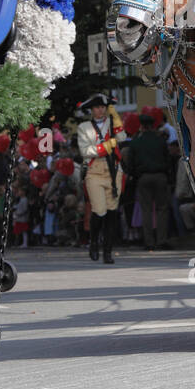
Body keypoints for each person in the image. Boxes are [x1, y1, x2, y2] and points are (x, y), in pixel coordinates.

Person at [75, 93, 126, 264]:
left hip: (113, 170)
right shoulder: (84, 127)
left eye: (103, 107)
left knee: (112, 212)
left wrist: (116, 118)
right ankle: (94, 241)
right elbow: (85, 151)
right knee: (99, 210)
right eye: (97, 107)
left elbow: (122, 138)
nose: (100, 110)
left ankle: (108, 251)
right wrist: (106, 146)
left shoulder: (112, 123)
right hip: (94, 171)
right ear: (91, 109)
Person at [128, 113, 172, 250]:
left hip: (143, 177)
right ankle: (162, 240)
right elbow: (168, 160)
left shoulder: (136, 142)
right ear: (153, 125)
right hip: (160, 176)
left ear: (141, 126)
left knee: (146, 210)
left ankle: (149, 242)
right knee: (162, 209)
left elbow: (131, 163)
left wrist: (135, 176)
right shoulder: (160, 141)